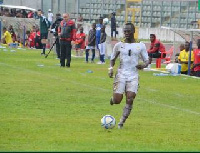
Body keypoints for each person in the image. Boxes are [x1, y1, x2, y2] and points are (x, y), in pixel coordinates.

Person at [108, 23, 149, 129]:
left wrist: (143, 65)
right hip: (121, 74)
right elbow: (113, 58)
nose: (126, 33)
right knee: (117, 100)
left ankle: (121, 122)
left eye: (128, 31)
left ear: (133, 31)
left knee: (130, 98)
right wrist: (111, 69)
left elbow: (147, 60)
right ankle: (113, 100)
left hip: (133, 75)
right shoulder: (119, 45)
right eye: (125, 31)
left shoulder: (140, 45)